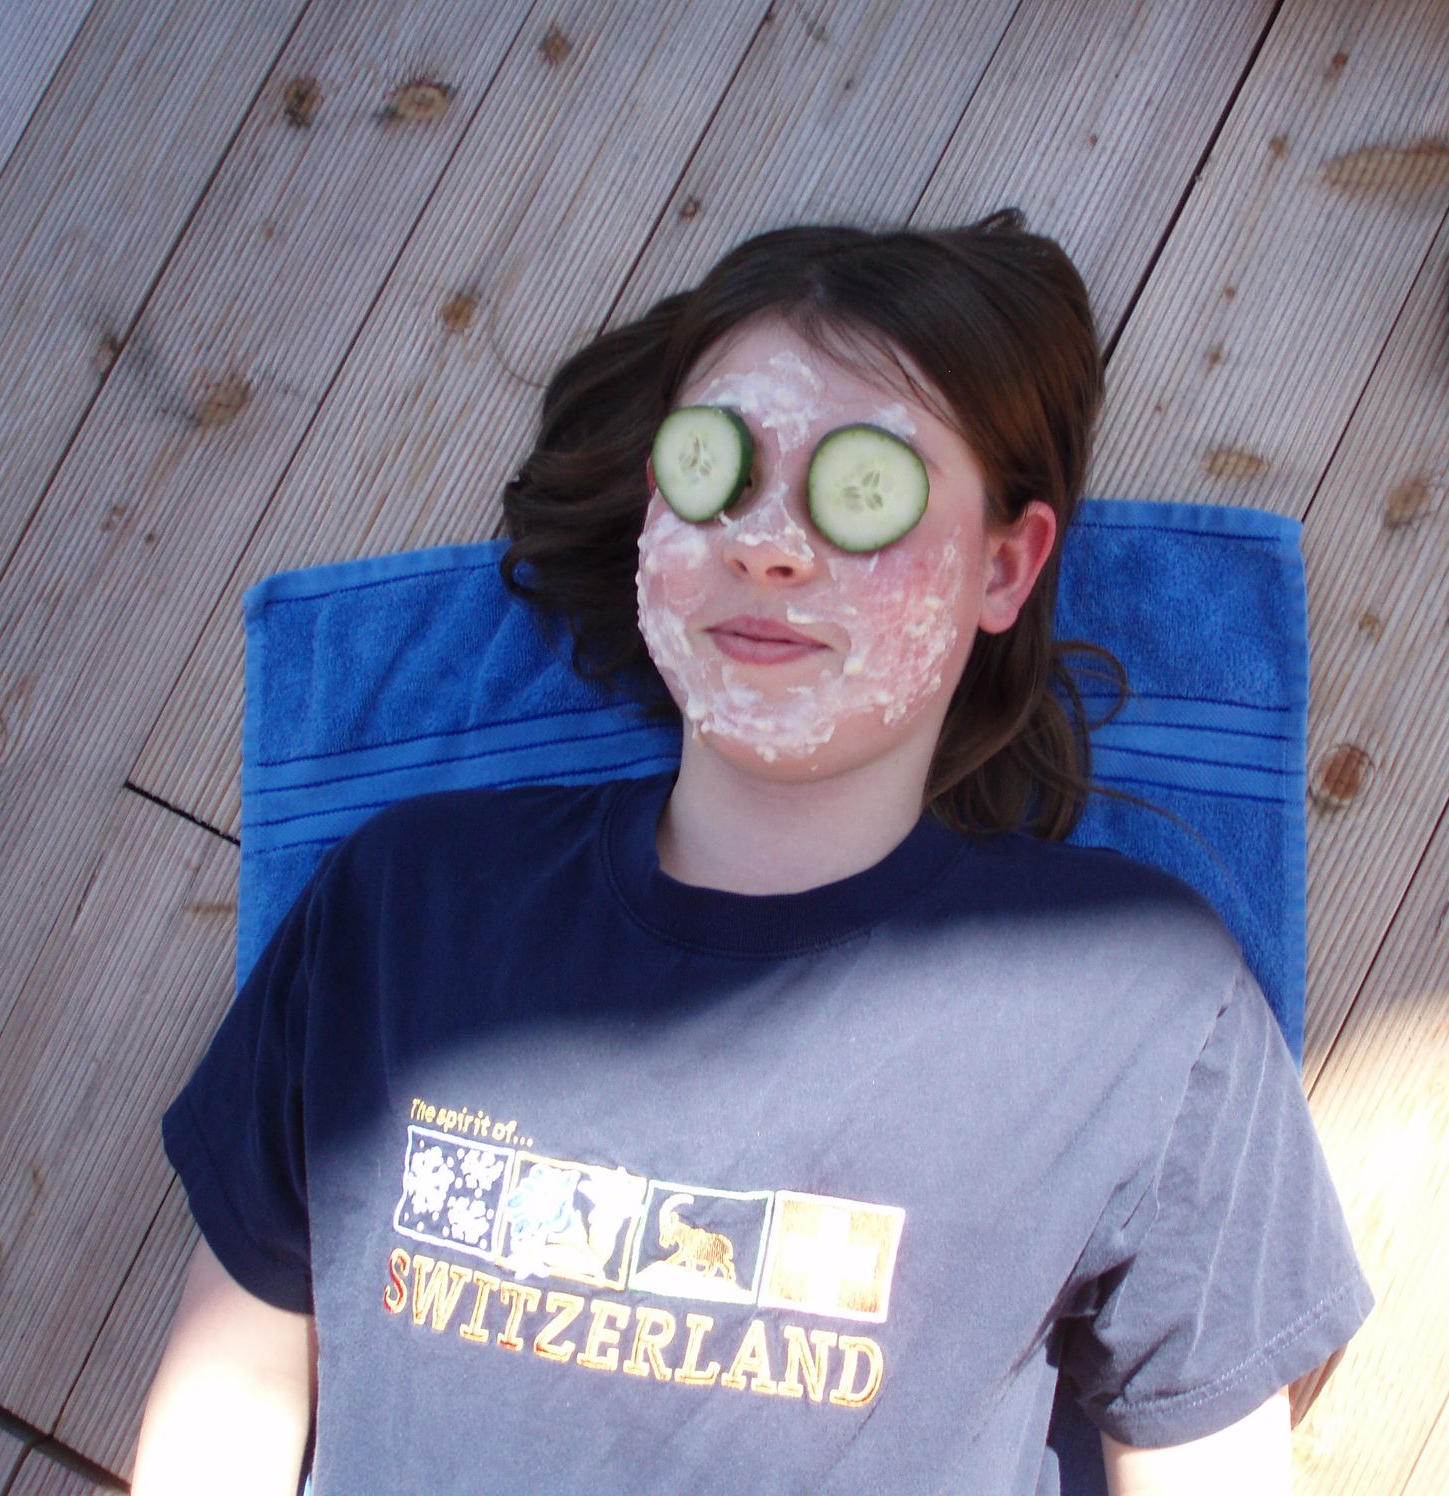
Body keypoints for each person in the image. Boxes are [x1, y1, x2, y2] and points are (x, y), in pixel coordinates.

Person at [132, 209, 1373, 1495]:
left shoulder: (1140, 1003)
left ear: (1004, 567)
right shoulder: (406, 903)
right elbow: (231, 1398)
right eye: (716, 467)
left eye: (862, 488)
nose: (767, 540)